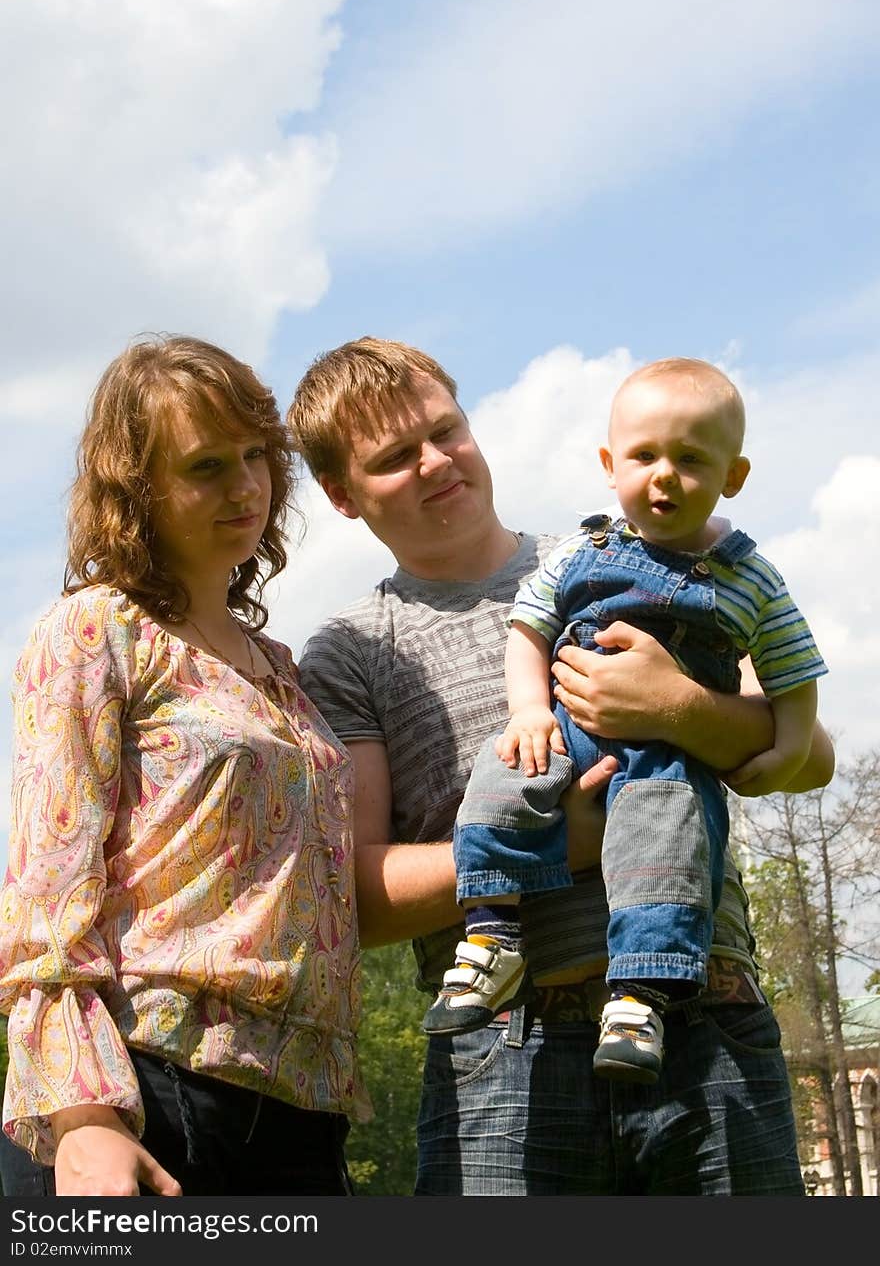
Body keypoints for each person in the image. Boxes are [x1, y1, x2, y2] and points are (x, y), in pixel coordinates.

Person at [288, 335, 834, 1197]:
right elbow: (354, 897)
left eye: (446, 429)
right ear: (341, 495)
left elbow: (809, 757)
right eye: (395, 456)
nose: (436, 462)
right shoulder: (350, 653)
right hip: (505, 1050)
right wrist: (565, 846)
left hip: (708, 1018)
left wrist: (681, 710)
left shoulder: (632, 552)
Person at [0, 334, 369, 1198]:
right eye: (207, 465)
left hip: (302, 1111)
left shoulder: (281, 667)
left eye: (256, 456)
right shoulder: (99, 629)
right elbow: (46, 891)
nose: (245, 486)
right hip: (149, 1091)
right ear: (138, 490)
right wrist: (84, 1117)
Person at [425, 357, 827, 1088]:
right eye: (644, 456)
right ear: (610, 465)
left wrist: (787, 744)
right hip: (568, 726)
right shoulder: (584, 551)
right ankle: (490, 931)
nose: (665, 475)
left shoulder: (751, 578)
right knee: (500, 771)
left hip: (667, 757)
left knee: (663, 837)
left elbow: (796, 672)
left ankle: (640, 995)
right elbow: (529, 628)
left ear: (732, 477)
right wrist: (528, 709)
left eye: (691, 458)